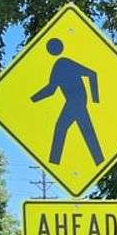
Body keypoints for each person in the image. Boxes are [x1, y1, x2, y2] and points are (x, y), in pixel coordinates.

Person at [31, 38, 104, 166]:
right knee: (86, 130)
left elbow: (92, 74)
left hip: (76, 101)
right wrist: (33, 99)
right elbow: (51, 89)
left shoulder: (64, 63)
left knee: (61, 127)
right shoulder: (58, 66)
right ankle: (99, 160)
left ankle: (54, 161)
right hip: (74, 101)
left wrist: (95, 99)